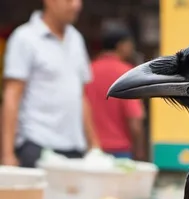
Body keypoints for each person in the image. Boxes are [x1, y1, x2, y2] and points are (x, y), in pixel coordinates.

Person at [1, 0, 99, 168]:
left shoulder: (76, 39)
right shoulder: (25, 38)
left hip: (73, 148)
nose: (76, 5)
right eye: (69, 0)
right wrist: (7, 155)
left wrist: (95, 146)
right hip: (36, 145)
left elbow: (80, 96)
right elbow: (12, 96)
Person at [85, 26, 145, 160]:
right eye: (130, 44)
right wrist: (140, 150)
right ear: (121, 46)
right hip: (120, 152)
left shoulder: (88, 71)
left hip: (91, 151)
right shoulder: (127, 74)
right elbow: (135, 121)